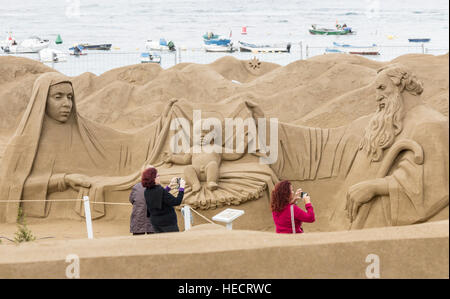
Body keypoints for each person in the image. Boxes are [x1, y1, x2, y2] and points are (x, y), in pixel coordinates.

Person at [143, 167, 185, 233]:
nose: (159, 177)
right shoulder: (160, 190)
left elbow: (159, 196)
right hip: (168, 223)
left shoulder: (146, 191)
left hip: (155, 223)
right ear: (153, 179)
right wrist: (182, 188)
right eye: (157, 176)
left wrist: (169, 186)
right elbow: (177, 201)